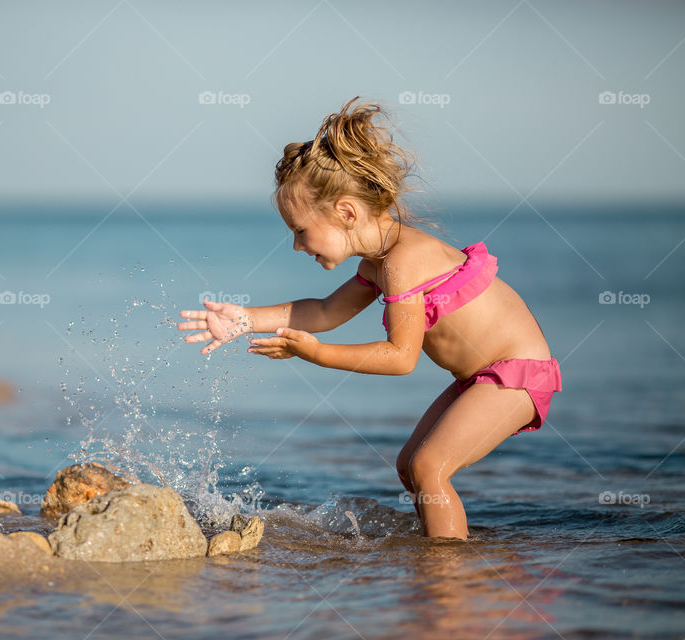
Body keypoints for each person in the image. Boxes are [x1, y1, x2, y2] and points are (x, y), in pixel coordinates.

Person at [177, 97, 562, 540]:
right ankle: (433, 551)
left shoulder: (404, 261)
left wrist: (317, 355)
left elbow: (401, 358)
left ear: (345, 212)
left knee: (429, 466)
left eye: (300, 231)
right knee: (410, 466)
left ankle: (450, 573)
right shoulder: (377, 265)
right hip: (479, 377)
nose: (297, 246)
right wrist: (245, 318)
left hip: (517, 374)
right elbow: (323, 311)